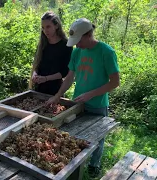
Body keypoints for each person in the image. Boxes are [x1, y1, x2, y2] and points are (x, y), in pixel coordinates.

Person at [46, 18, 120, 177]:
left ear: (88, 35)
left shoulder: (106, 52)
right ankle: (75, 166)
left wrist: (90, 94)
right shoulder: (77, 52)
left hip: (97, 105)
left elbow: (115, 82)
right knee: (75, 135)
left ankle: (94, 164)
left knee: (97, 138)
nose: (76, 45)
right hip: (77, 104)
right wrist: (58, 96)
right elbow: (70, 76)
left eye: (78, 41)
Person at [29, 11, 72, 95]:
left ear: (56, 26)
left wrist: (46, 78)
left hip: (55, 90)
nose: (45, 30)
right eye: (43, 27)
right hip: (38, 88)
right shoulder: (42, 43)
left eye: (48, 27)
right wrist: (34, 74)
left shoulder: (66, 45)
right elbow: (37, 64)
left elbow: (64, 71)